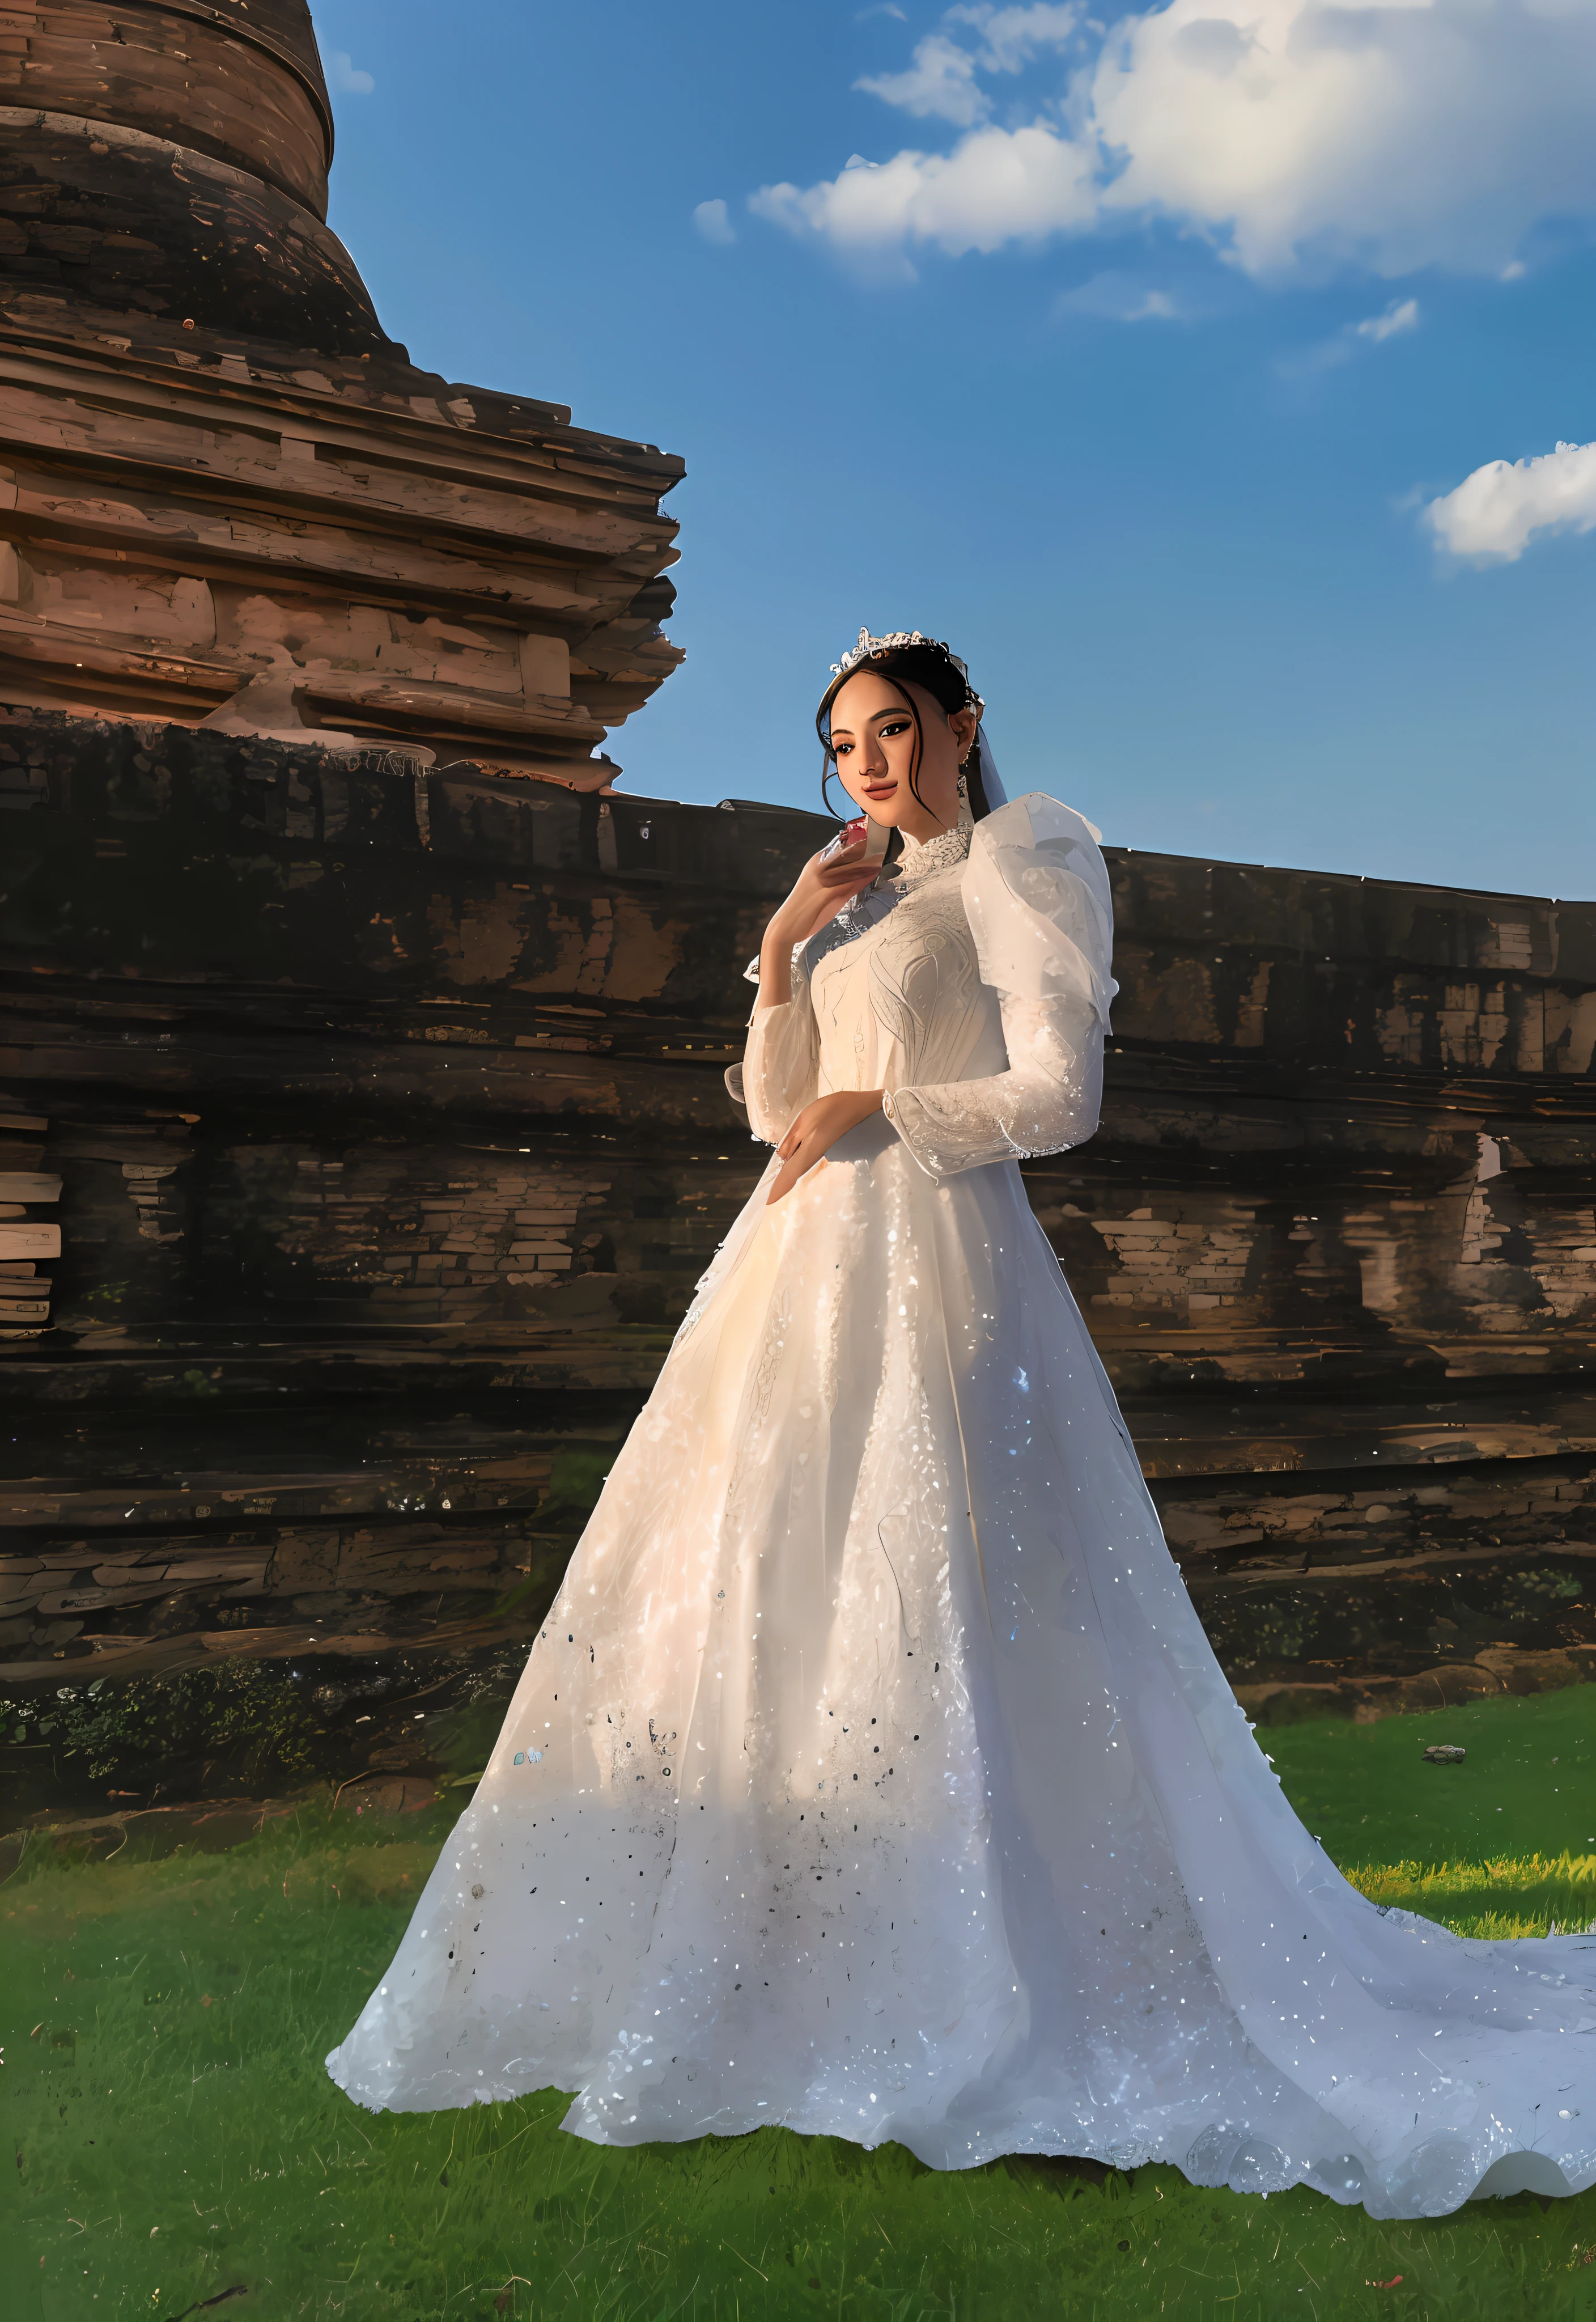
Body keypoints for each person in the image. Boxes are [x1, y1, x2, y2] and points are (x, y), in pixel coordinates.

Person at [328, 628, 1595, 2218]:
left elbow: (1063, 1096)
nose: (866, 763)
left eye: (892, 731)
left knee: (954, 1588)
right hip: (793, 1272)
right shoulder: (856, 900)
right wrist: (787, 950)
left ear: (960, 724)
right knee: (769, 1584)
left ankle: (1006, 1968)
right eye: (842, 743)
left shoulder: (1030, 848)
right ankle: (790, 1956)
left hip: (937, 1259)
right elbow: (770, 1112)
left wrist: (893, 1106)